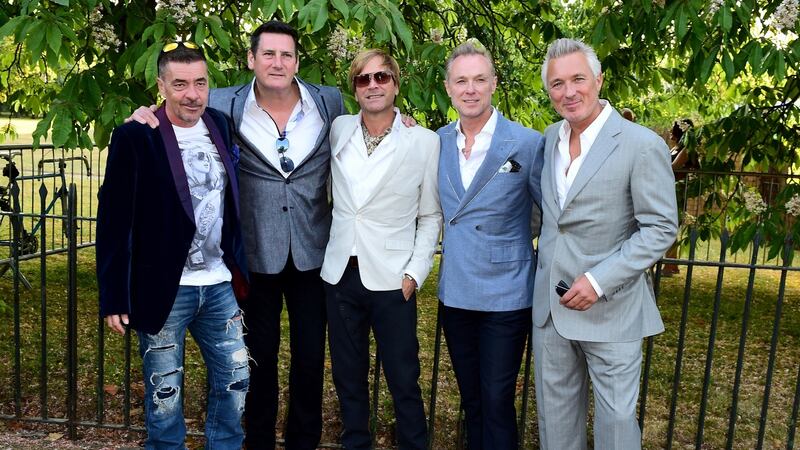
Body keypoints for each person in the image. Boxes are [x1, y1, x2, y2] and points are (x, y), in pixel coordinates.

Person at [129, 20, 345, 450]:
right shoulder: (224, 104)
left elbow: (364, 129)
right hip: (252, 256)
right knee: (255, 361)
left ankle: (303, 442)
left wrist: (402, 119)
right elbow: (177, 112)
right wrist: (142, 117)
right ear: (251, 59)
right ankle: (257, 442)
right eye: (268, 54)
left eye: (286, 55)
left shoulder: (329, 101)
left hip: (313, 253)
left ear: (297, 61)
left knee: (309, 361)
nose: (277, 62)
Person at [96, 42, 250, 449]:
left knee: (236, 381)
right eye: (180, 84)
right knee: (165, 397)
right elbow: (113, 219)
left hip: (218, 284)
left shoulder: (219, 123)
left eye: (200, 82)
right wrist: (113, 295)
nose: (191, 94)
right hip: (165, 288)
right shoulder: (135, 135)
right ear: (161, 85)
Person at [533, 38, 678, 449]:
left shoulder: (640, 144)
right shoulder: (549, 139)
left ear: (598, 79)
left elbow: (661, 228)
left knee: (615, 428)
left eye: (578, 78)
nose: (569, 91)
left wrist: (598, 281)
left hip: (611, 310)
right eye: (557, 84)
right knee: (556, 427)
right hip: (551, 311)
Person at [320, 49, 441, 450]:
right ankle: (355, 442)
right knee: (347, 376)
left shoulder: (423, 141)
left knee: (404, 377)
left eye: (382, 77)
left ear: (396, 83)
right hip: (340, 274)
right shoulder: (338, 129)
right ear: (354, 88)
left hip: (392, 278)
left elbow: (430, 216)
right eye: (363, 79)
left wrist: (414, 274)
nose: (373, 85)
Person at [436, 39, 544, 449]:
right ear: (448, 87)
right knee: (473, 399)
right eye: (461, 80)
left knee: (498, 398)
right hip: (457, 291)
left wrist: (508, 239)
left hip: (507, 292)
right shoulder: (437, 141)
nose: (471, 89)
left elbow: (543, 212)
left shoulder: (526, 143)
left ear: (494, 84)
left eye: (480, 79)